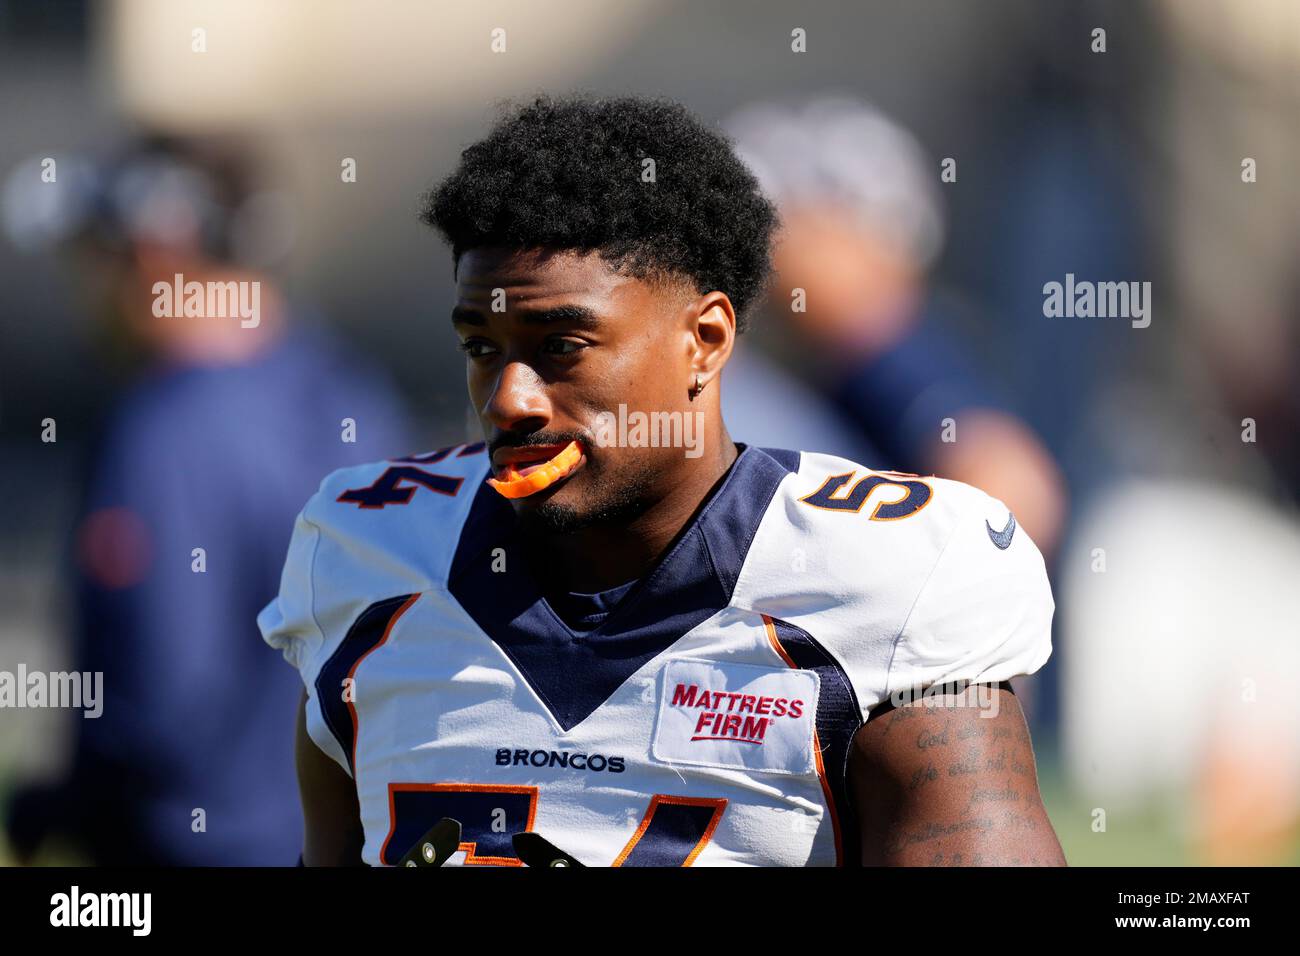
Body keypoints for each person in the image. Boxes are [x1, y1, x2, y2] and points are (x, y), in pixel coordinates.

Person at [261, 95, 1065, 866]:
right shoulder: (366, 557)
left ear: (705, 341)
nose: (509, 398)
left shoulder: (882, 590)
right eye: (481, 347)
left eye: (563, 346)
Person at [4, 135, 412, 865]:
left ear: (157, 253)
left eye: (95, 255)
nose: (86, 288)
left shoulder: (163, 434)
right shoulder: (356, 395)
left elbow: (162, 702)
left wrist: (67, 805)